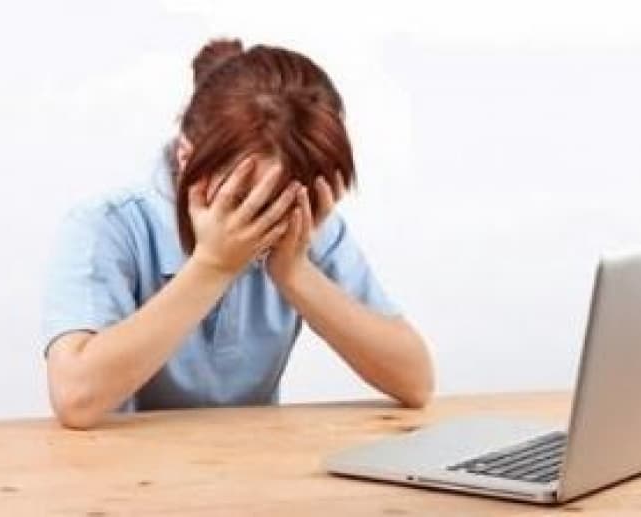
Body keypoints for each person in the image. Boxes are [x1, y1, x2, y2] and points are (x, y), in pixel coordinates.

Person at [41, 38, 434, 429]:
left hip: (252, 459)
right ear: (186, 159)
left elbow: (415, 381)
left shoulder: (307, 225)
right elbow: (75, 397)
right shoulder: (106, 226)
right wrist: (213, 266)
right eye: (249, 197)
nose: (269, 221)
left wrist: (295, 272)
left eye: (289, 201)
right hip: (123, 462)